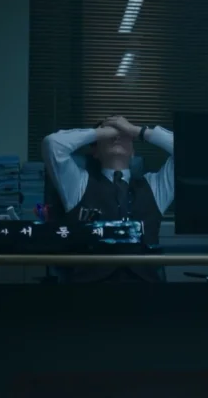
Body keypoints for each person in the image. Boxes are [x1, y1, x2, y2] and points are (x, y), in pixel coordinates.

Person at [42, 115, 174, 283]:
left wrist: (137, 131)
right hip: (90, 287)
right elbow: (52, 144)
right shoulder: (78, 183)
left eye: (123, 135)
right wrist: (101, 132)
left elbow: (188, 151)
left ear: (133, 152)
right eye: (109, 133)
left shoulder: (156, 187)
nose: (117, 136)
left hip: (145, 287)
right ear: (95, 151)